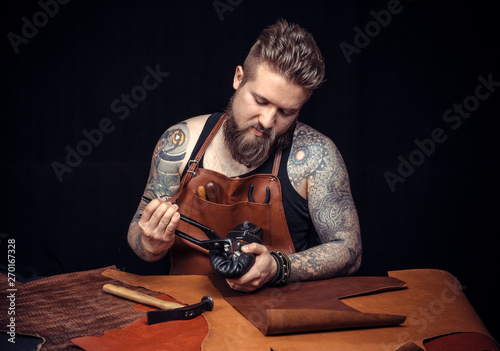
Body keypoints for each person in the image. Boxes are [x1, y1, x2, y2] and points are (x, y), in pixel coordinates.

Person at [127, 19, 361, 292]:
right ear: (239, 78)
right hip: (187, 310)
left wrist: (278, 267)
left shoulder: (316, 157)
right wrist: (150, 244)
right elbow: (138, 236)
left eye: (287, 112)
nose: (267, 120)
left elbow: (350, 251)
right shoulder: (179, 143)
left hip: (277, 319)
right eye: (260, 101)